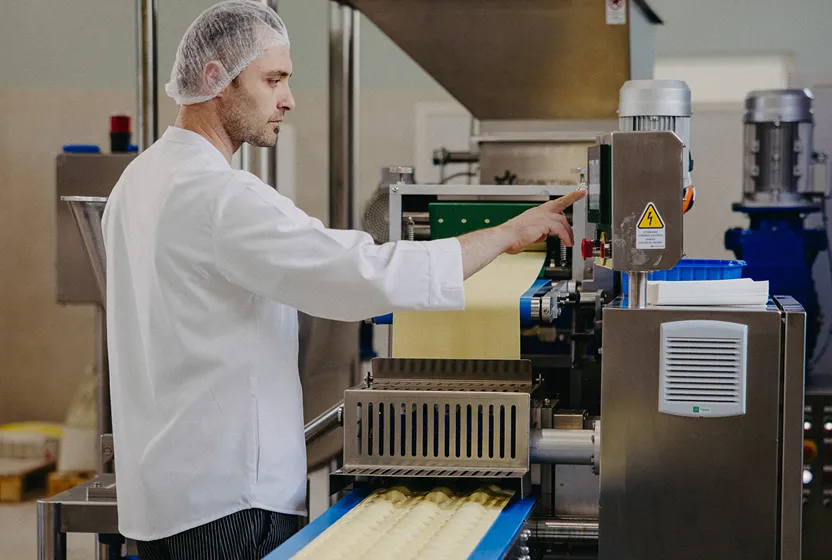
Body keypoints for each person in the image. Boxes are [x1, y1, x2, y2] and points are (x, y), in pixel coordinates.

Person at [101, 1, 586, 558]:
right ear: (215, 78)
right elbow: (361, 274)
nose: (288, 98)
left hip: (158, 502)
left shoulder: (136, 183)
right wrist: (505, 235)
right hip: (226, 504)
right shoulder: (221, 198)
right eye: (273, 79)